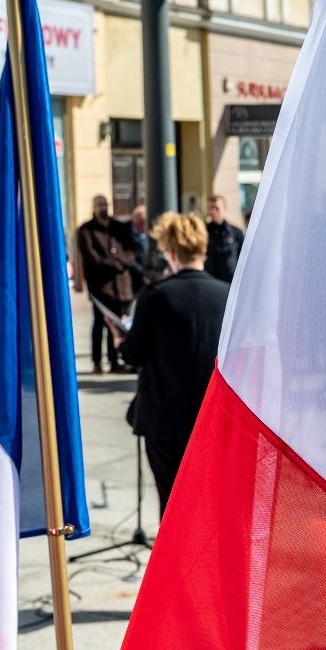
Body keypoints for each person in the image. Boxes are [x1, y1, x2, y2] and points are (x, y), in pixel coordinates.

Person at [114, 211, 230, 515]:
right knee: (212, 501)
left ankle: (175, 562)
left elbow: (134, 355)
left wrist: (121, 343)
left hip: (165, 420)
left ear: (172, 251)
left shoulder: (156, 296)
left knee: (173, 504)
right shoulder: (228, 294)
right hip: (213, 417)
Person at [76, 195, 142, 375]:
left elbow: (132, 249)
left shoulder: (119, 227)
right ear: (94, 208)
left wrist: (122, 262)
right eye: (99, 205)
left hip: (122, 286)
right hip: (101, 287)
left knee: (120, 324)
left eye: (105, 205)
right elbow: (91, 257)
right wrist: (114, 264)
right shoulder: (86, 230)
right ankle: (97, 362)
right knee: (100, 324)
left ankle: (115, 360)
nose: (103, 208)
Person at [203, 194, 245, 282]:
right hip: (210, 281)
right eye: (210, 208)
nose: (213, 211)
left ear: (224, 209)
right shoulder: (203, 232)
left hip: (230, 283)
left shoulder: (236, 233)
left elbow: (243, 259)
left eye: (216, 208)